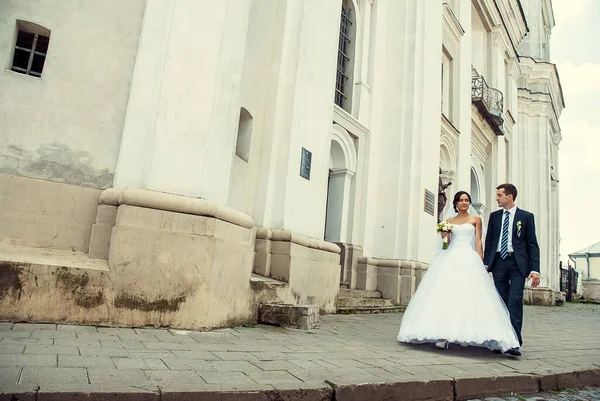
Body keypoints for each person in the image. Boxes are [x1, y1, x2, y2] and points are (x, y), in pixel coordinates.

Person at [397, 191, 520, 353]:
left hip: (469, 258)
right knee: (447, 294)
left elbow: (477, 241)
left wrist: (482, 263)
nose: (464, 203)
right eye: (461, 200)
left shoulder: (476, 219)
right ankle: (443, 335)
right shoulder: (449, 221)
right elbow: (446, 244)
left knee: (467, 295)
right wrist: (444, 235)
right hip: (451, 257)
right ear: (455, 203)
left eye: (467, 200)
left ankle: (465, 334)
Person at [484, 184, 540, 356]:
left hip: (517, 265)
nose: (496, 198)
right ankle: (501, 340)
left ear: (510, 196)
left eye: (499, 195)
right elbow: (490, 241)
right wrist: (486, 263)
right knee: (500, 303)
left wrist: (535, 269)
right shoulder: (494, 217)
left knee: (514, 301)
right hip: (499, 263)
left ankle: (514, 342)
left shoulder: (526, 217)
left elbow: (532, 244)